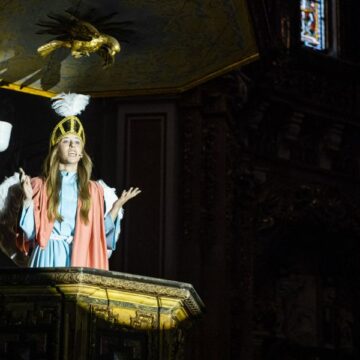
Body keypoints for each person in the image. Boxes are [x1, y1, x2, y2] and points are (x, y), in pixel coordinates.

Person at [17, 93, 140, 270]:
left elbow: (99, 236)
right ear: (56, 149)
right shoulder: (39, 184)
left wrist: (115, 208)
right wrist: (28, 199)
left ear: (82, 151)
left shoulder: (94, 190)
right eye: (66, 141)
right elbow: (28, 233)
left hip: (81, 255)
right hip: (47, 254)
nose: (73, 146)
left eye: (77, 142)